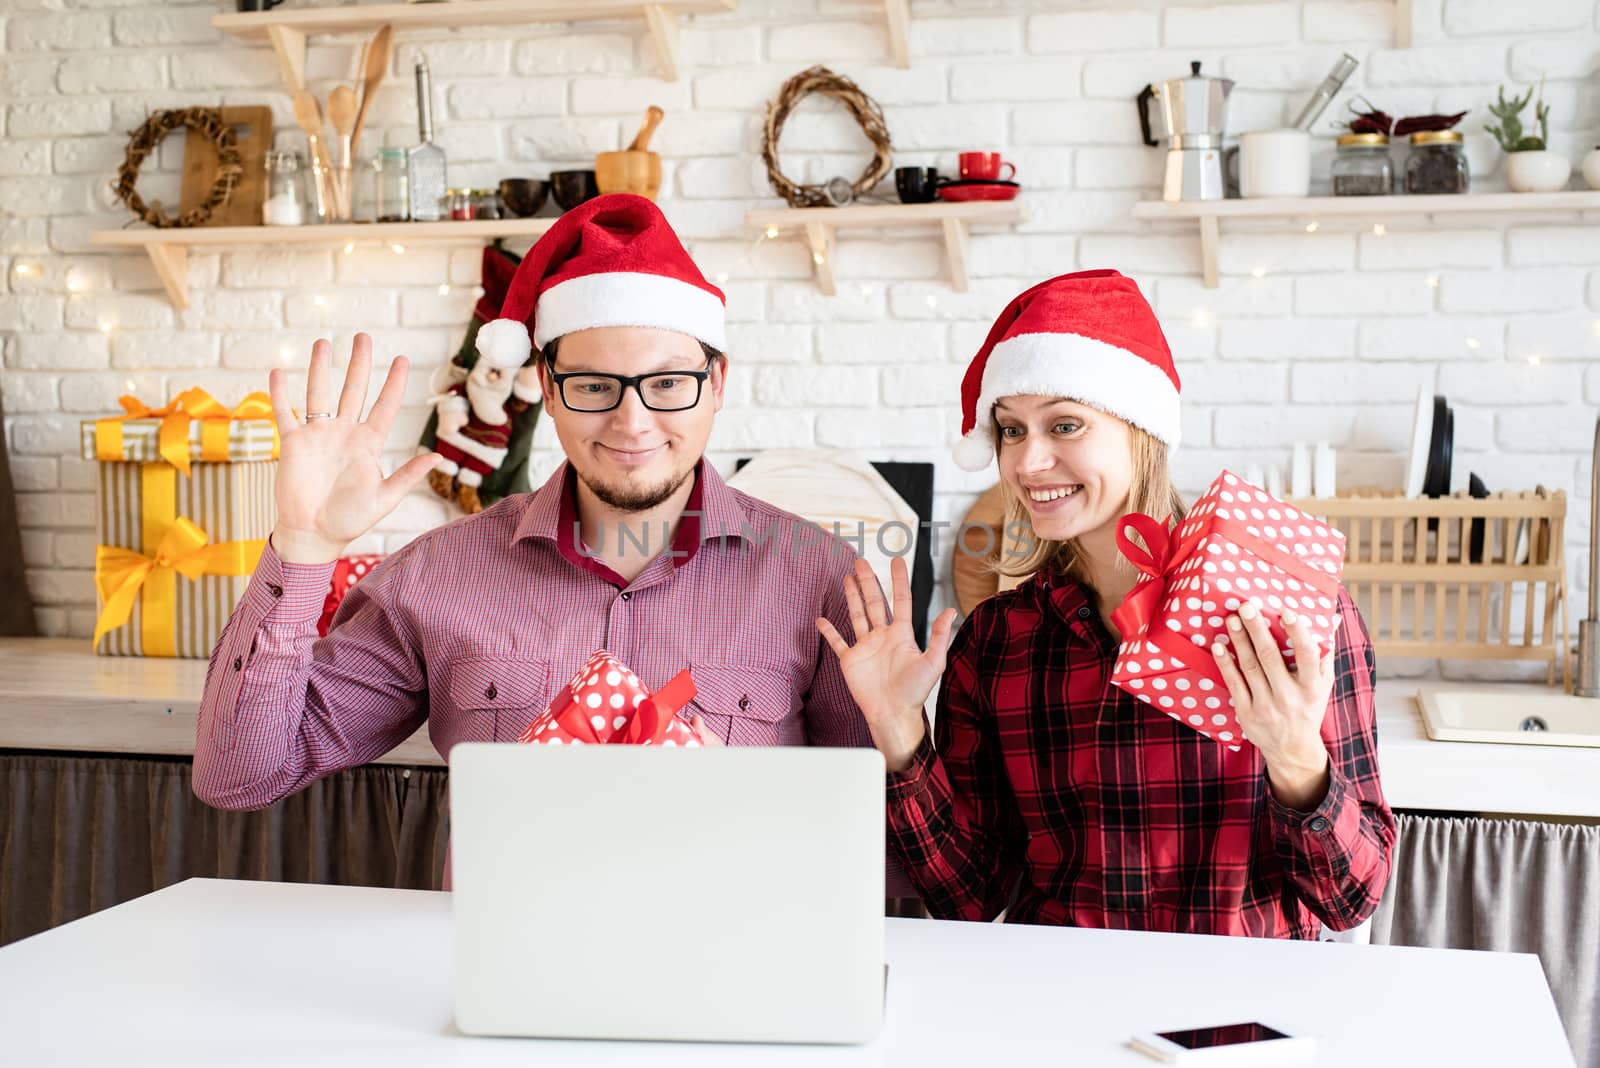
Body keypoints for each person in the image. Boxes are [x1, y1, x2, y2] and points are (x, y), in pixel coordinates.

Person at [193, 195, 888, 886]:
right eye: (593, 385)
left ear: (718, 384)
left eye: (668, 383)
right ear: (548, 390)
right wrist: (304, 546)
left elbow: (871, 848)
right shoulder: (438, 574)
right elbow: (239, 777)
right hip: (501, 983)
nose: (632, 421)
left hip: (735, 975)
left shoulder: (821, 580)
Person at [819, 270, 1394, 937]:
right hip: (1061, 1005)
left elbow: (1355, 898)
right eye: (1010, 431)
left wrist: (1296, 757)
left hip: (1244, 1016)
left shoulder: (1284, 611)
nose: (1028, 463)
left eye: (1065, 424)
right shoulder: (998, 641)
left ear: (1141, 430)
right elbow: (970, 899)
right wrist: (897, 727)